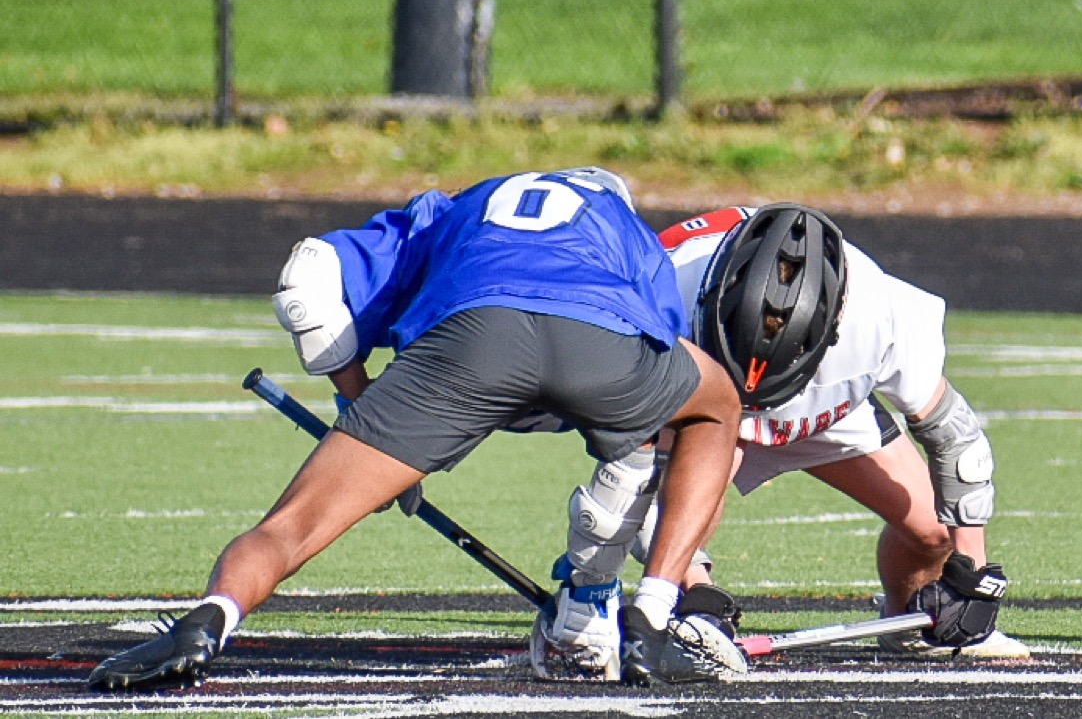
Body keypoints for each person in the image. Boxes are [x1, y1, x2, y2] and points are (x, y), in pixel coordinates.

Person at [86, 168, 743, 691]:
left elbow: (305, 287)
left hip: (464, 343)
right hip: (592, 336)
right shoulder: (624, 226)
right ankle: (649, 617)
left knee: (289, 527)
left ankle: (211, 618)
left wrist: (367, 414)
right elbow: (652, 412)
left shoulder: (447, 210)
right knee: (715, 406)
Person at [534, 203, 1028, 670]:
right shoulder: (660, 291)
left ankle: (907, 625)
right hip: (706, 398)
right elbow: (643, 482)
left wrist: (970, 576)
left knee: (935, 534)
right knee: (678, 512)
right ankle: (680, 604)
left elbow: (957, 441)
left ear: (834, 325)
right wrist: (694, 594)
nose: (759, 387)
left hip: (826, 408)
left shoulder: (884, 315)